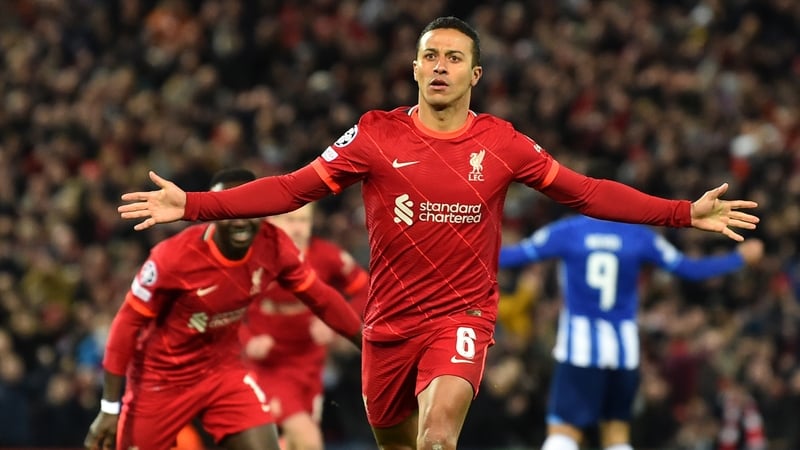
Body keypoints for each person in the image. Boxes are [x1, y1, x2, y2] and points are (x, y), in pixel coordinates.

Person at [116, 16, 760, 450]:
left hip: (462, 316)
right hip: (388, 323)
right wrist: (196, 204)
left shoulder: (502, 143)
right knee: (398, 441)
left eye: (455, 58)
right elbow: (292, 187)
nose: (441, 66)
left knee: (439, 436)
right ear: (415, 69)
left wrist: (683, 212)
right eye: (431, 56)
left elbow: (585, 191)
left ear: (475, 74)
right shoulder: (375, 134)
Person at [84, 169, 362, 450]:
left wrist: (368, 346)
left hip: (223, 371)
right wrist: (109, 406)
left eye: (249, 209)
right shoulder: (173, 258)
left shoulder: (274, 246)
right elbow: (127, 323)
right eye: (229, 210)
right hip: (161, 379)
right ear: (214, 212)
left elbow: (322, 298)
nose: (240, 219)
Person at [498, 215, 764, 450]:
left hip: (580, 348)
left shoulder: (570, 230)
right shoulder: (639, 236)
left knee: (563, 431)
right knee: (616, 434)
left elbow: (513, 256)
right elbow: (689, 269)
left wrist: (460, 244)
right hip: (624, 351)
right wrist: (739, 258)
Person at [240, 203, 369, 450]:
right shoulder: (252, 259)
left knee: (294, 440)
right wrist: (248, 340)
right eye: (289, 220)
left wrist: (334, 326)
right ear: (270, 224)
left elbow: (365, 289)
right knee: (307, 437)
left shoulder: (327, 256)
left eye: (303, 221)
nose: (297, 228)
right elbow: (225, 309)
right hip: (270, 365)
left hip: (310, 362)